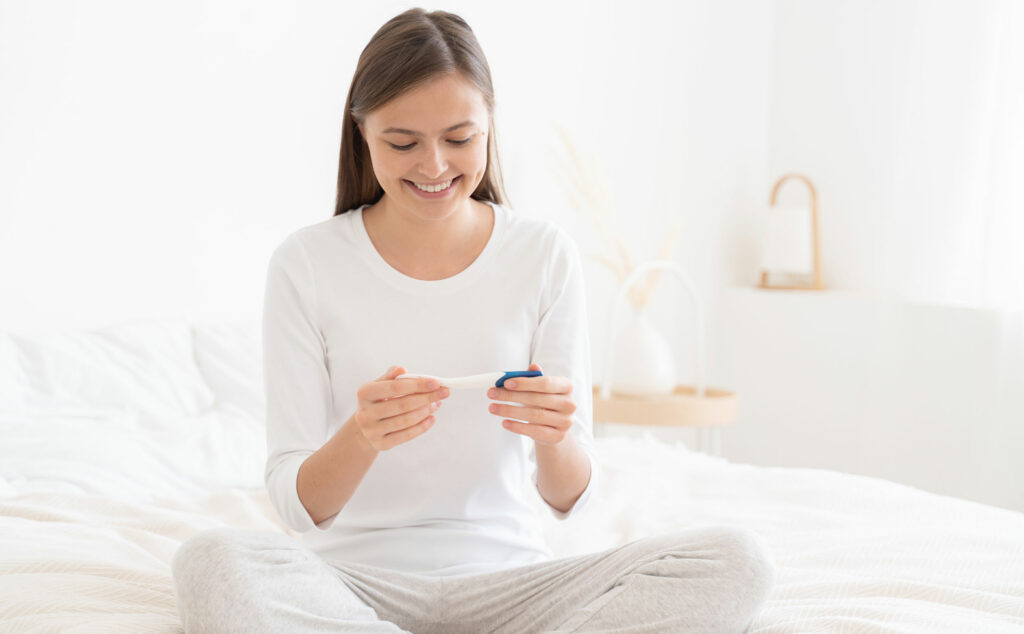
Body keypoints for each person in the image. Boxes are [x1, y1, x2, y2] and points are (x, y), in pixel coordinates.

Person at [171, 8, 775, 633]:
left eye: (459, 139)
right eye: (402, 143)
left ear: (490, 127)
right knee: (212, 560)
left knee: (736, 560)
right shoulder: (307, 263)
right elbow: (297, 509)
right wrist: (361, 436)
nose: (434, 166)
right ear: (362, 136)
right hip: (353, 585)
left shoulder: (542, 255)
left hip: (514, 585)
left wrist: (554, 435)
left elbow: (570, 497)